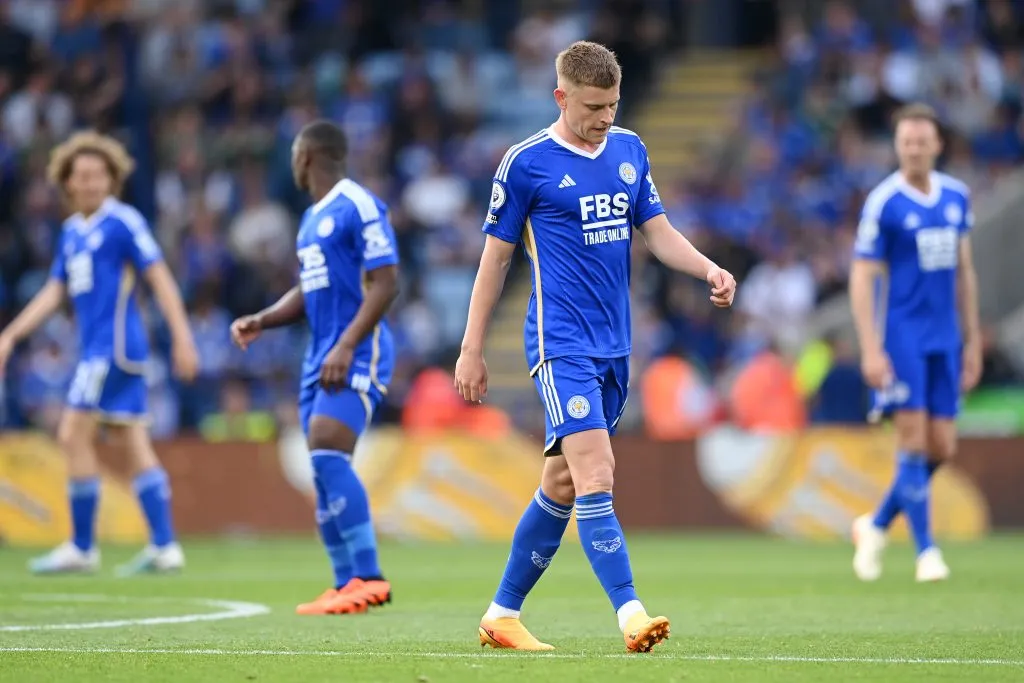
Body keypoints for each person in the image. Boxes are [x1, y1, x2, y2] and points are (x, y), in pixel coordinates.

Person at [454, 41, 737, 653]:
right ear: (561, 97)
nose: (605, 116)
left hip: (616, 346)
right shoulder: (526, 163)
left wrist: (708, 268)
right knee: (595, 472)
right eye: (592, 106)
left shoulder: (630, 150)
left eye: (612, 103)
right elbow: (494, 260)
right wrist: (471, 347)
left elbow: (657, 233)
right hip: (560, 343)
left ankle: (501, 614)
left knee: (560, 484)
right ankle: (631, 613)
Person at [0, 131, 199, 575]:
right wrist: (10, 335)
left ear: (112, 179)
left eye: (98, 175)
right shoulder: (72, 233)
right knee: (132, 440)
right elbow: (55, 292)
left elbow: (160, 278)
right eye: (82, 176)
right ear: (67, 183)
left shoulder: (122, 221)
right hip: (98, 350)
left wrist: (183, 337)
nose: (90, 183)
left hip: (113, 349)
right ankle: (165, 546)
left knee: (72, 433)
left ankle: (82, 547)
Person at [230, 120, 398, 615]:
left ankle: (370, 576)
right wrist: (263, 318)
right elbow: (309, 289)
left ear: (305, 156)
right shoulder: (309, 220)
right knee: (322, 468)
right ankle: (346, 582)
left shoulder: (358, 204)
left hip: (355, 349)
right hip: (318, 354)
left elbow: (386, 283)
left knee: (327, 447)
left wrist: (346, 345)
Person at [849, 103, 981, 583]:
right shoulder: (884, 202)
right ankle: (927, 551)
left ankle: (877, 523)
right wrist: (870, 346)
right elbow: (862, 278)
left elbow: (965, 273)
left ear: (937, 145)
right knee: (912, 440)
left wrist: (972, 341)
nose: (914, 149)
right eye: (906, 142)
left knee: (942, 446)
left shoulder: (957, 197)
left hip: (945, 339)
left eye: (922, 141)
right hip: (902, 338)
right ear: (898, 146)